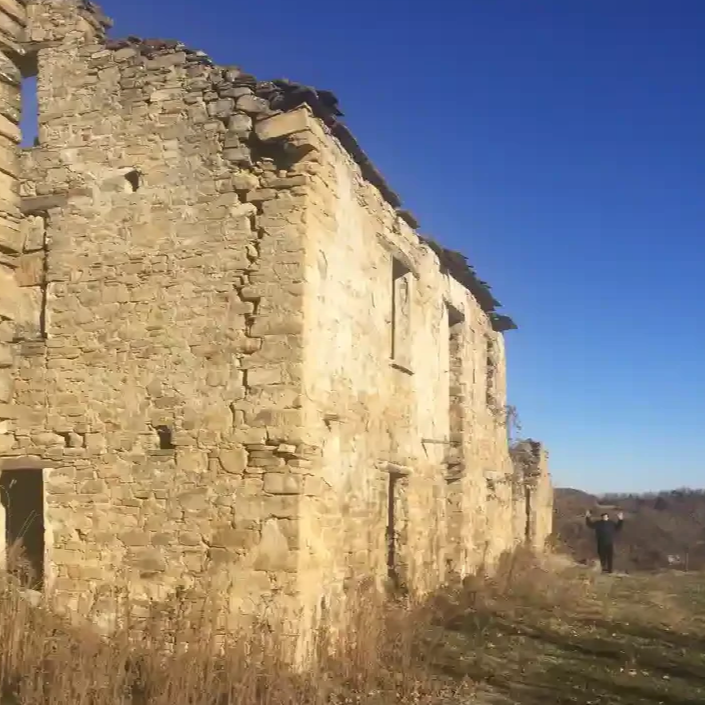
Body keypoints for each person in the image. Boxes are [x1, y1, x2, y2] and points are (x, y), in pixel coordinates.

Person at [585, 509, 624, 574]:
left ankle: (610, 570)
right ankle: (603, 569)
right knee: (602, 557)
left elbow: (618, 528)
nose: (604, 518)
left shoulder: (611, 523)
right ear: (601, 517)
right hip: (600, 543)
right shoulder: (598, 523)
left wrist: (620, 520)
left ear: (608, 517)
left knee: (610, 557)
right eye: (603, 517)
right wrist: (587, 517)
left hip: (609, 543)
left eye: (605, 517)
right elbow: (590, 525)